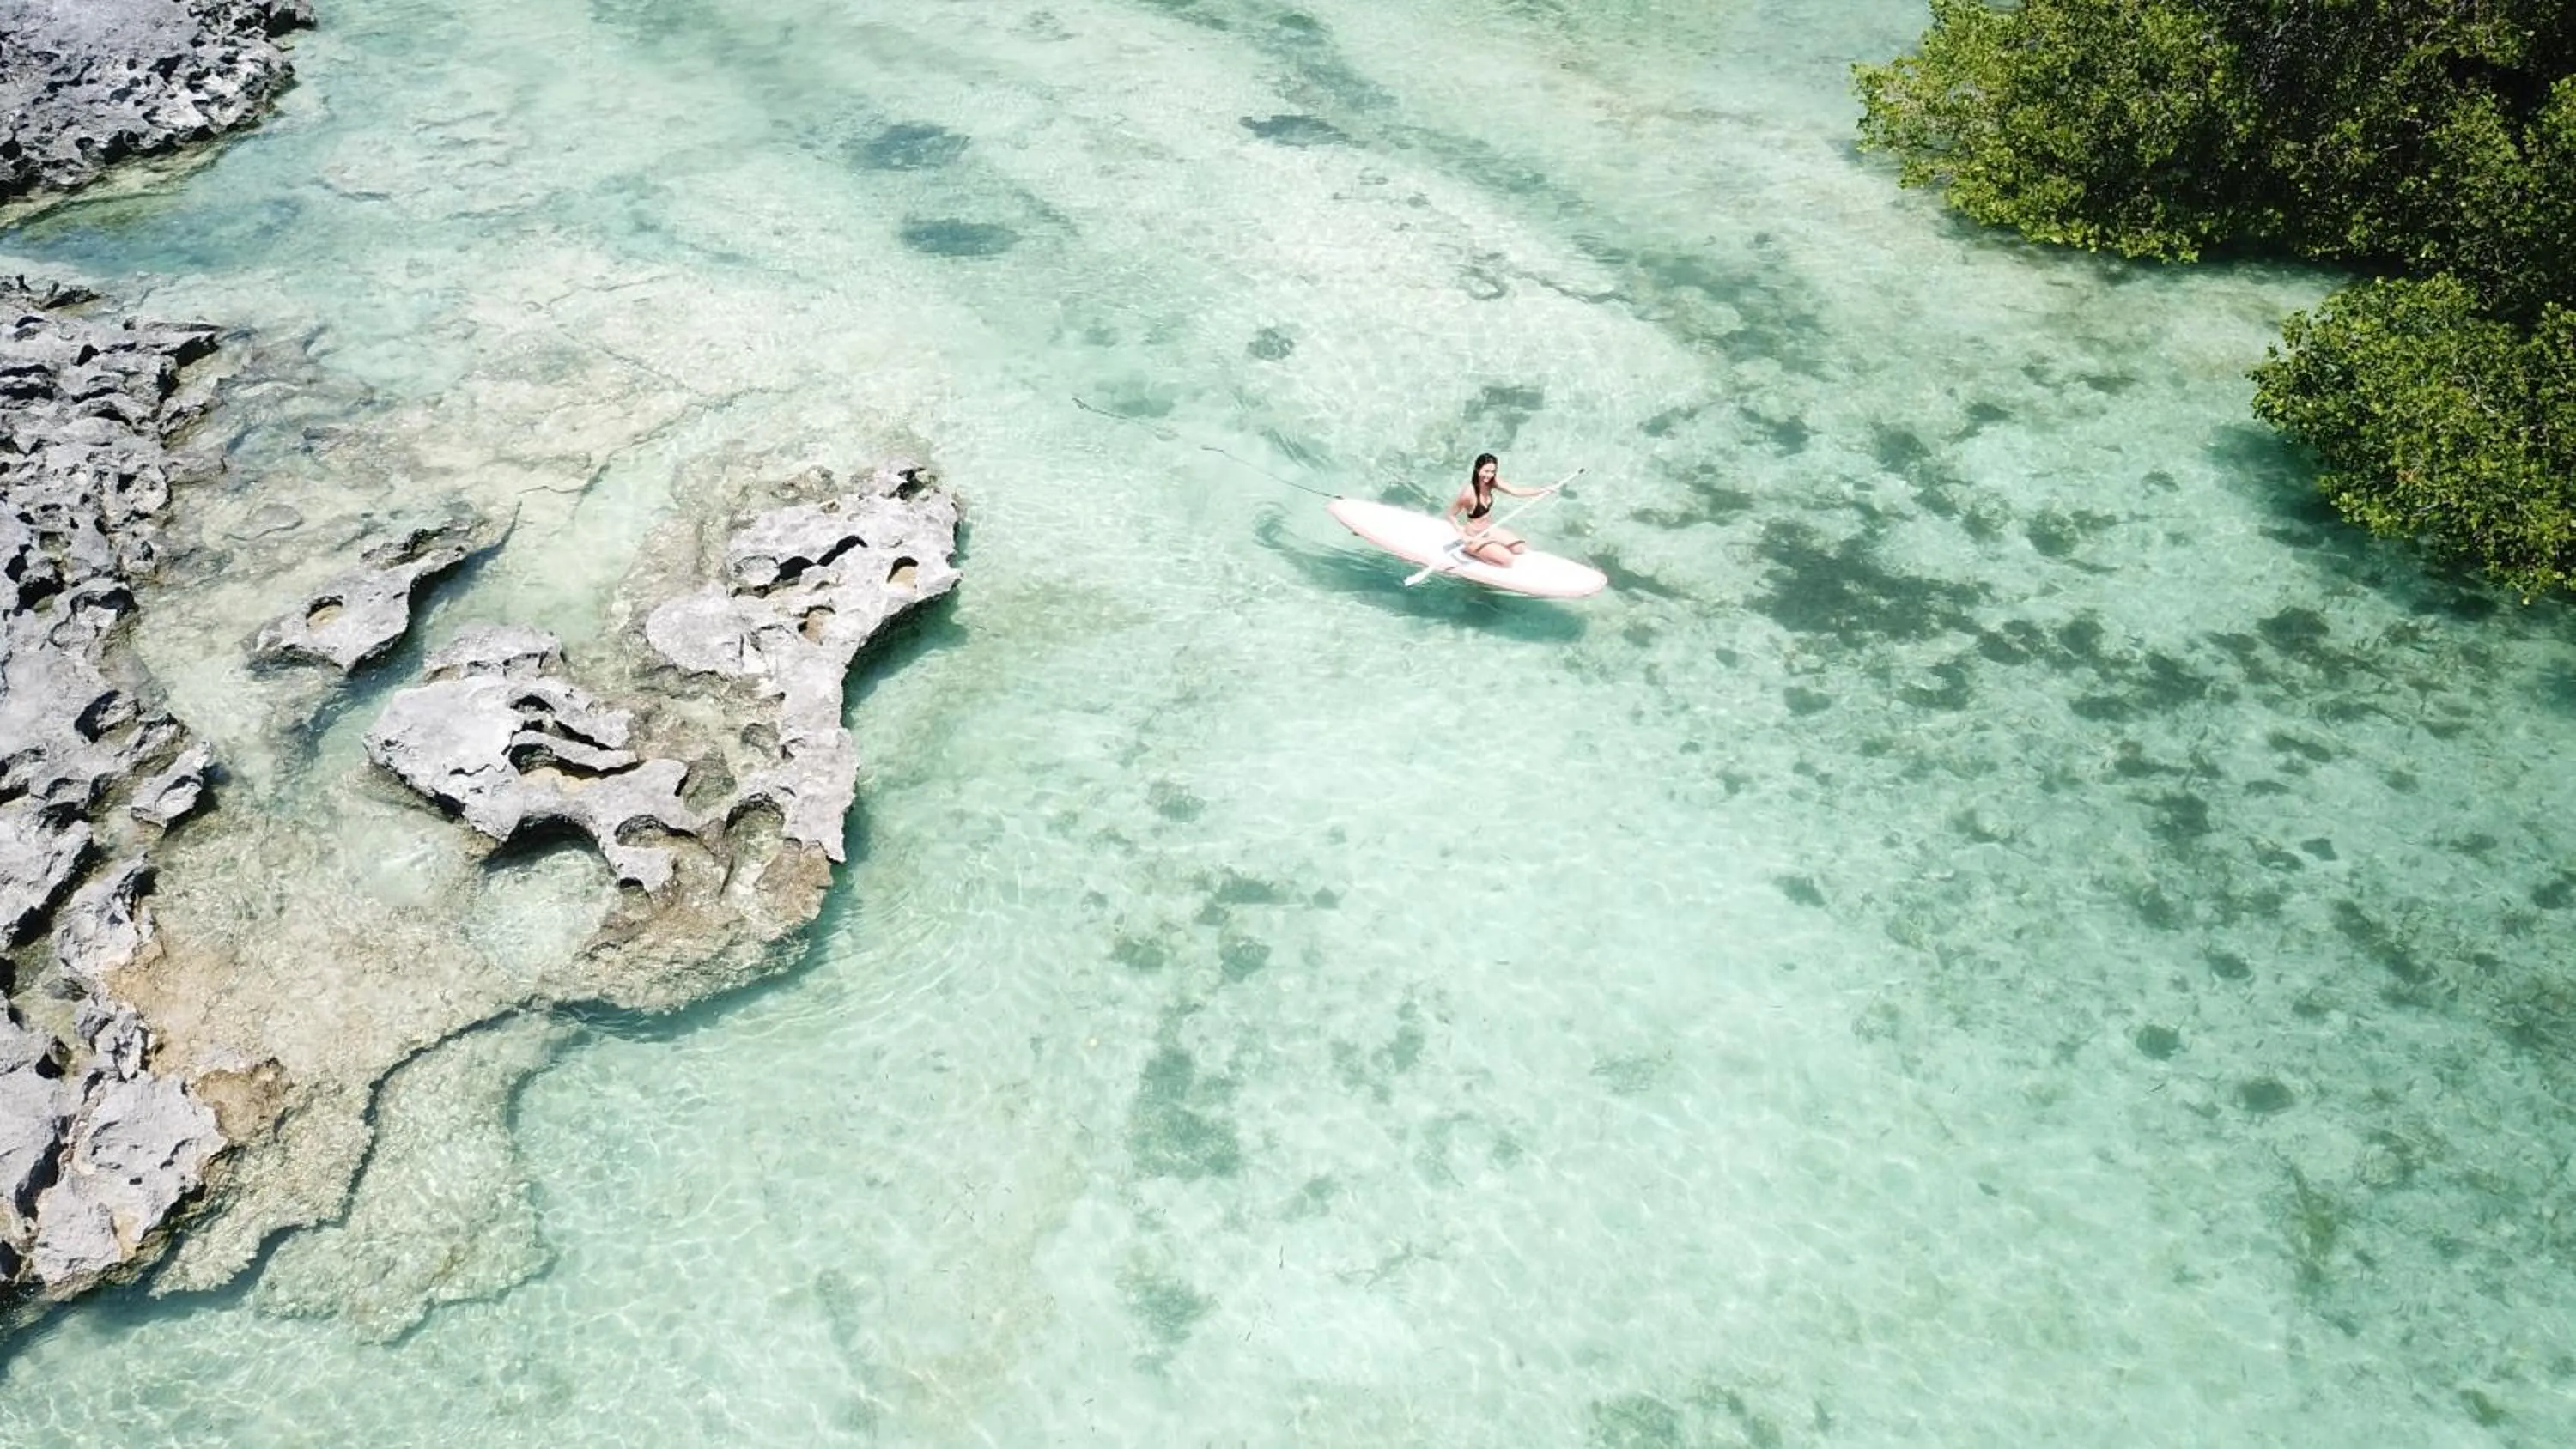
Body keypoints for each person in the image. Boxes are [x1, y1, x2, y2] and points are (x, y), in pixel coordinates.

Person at [1443, 452, 1549, 565]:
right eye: (1486, 471)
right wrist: (1463, 535)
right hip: (1474, 536)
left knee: (1520, 548)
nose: (1489, 475)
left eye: (1492, 471)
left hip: (1488, 531)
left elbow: (1516, 491)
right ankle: (1469, 549)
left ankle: (1490, 547)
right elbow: (1450, 514)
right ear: (1478, 469)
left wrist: (1542, 490)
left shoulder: (1491, 482)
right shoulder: (1468, 493)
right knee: (1507, 560)